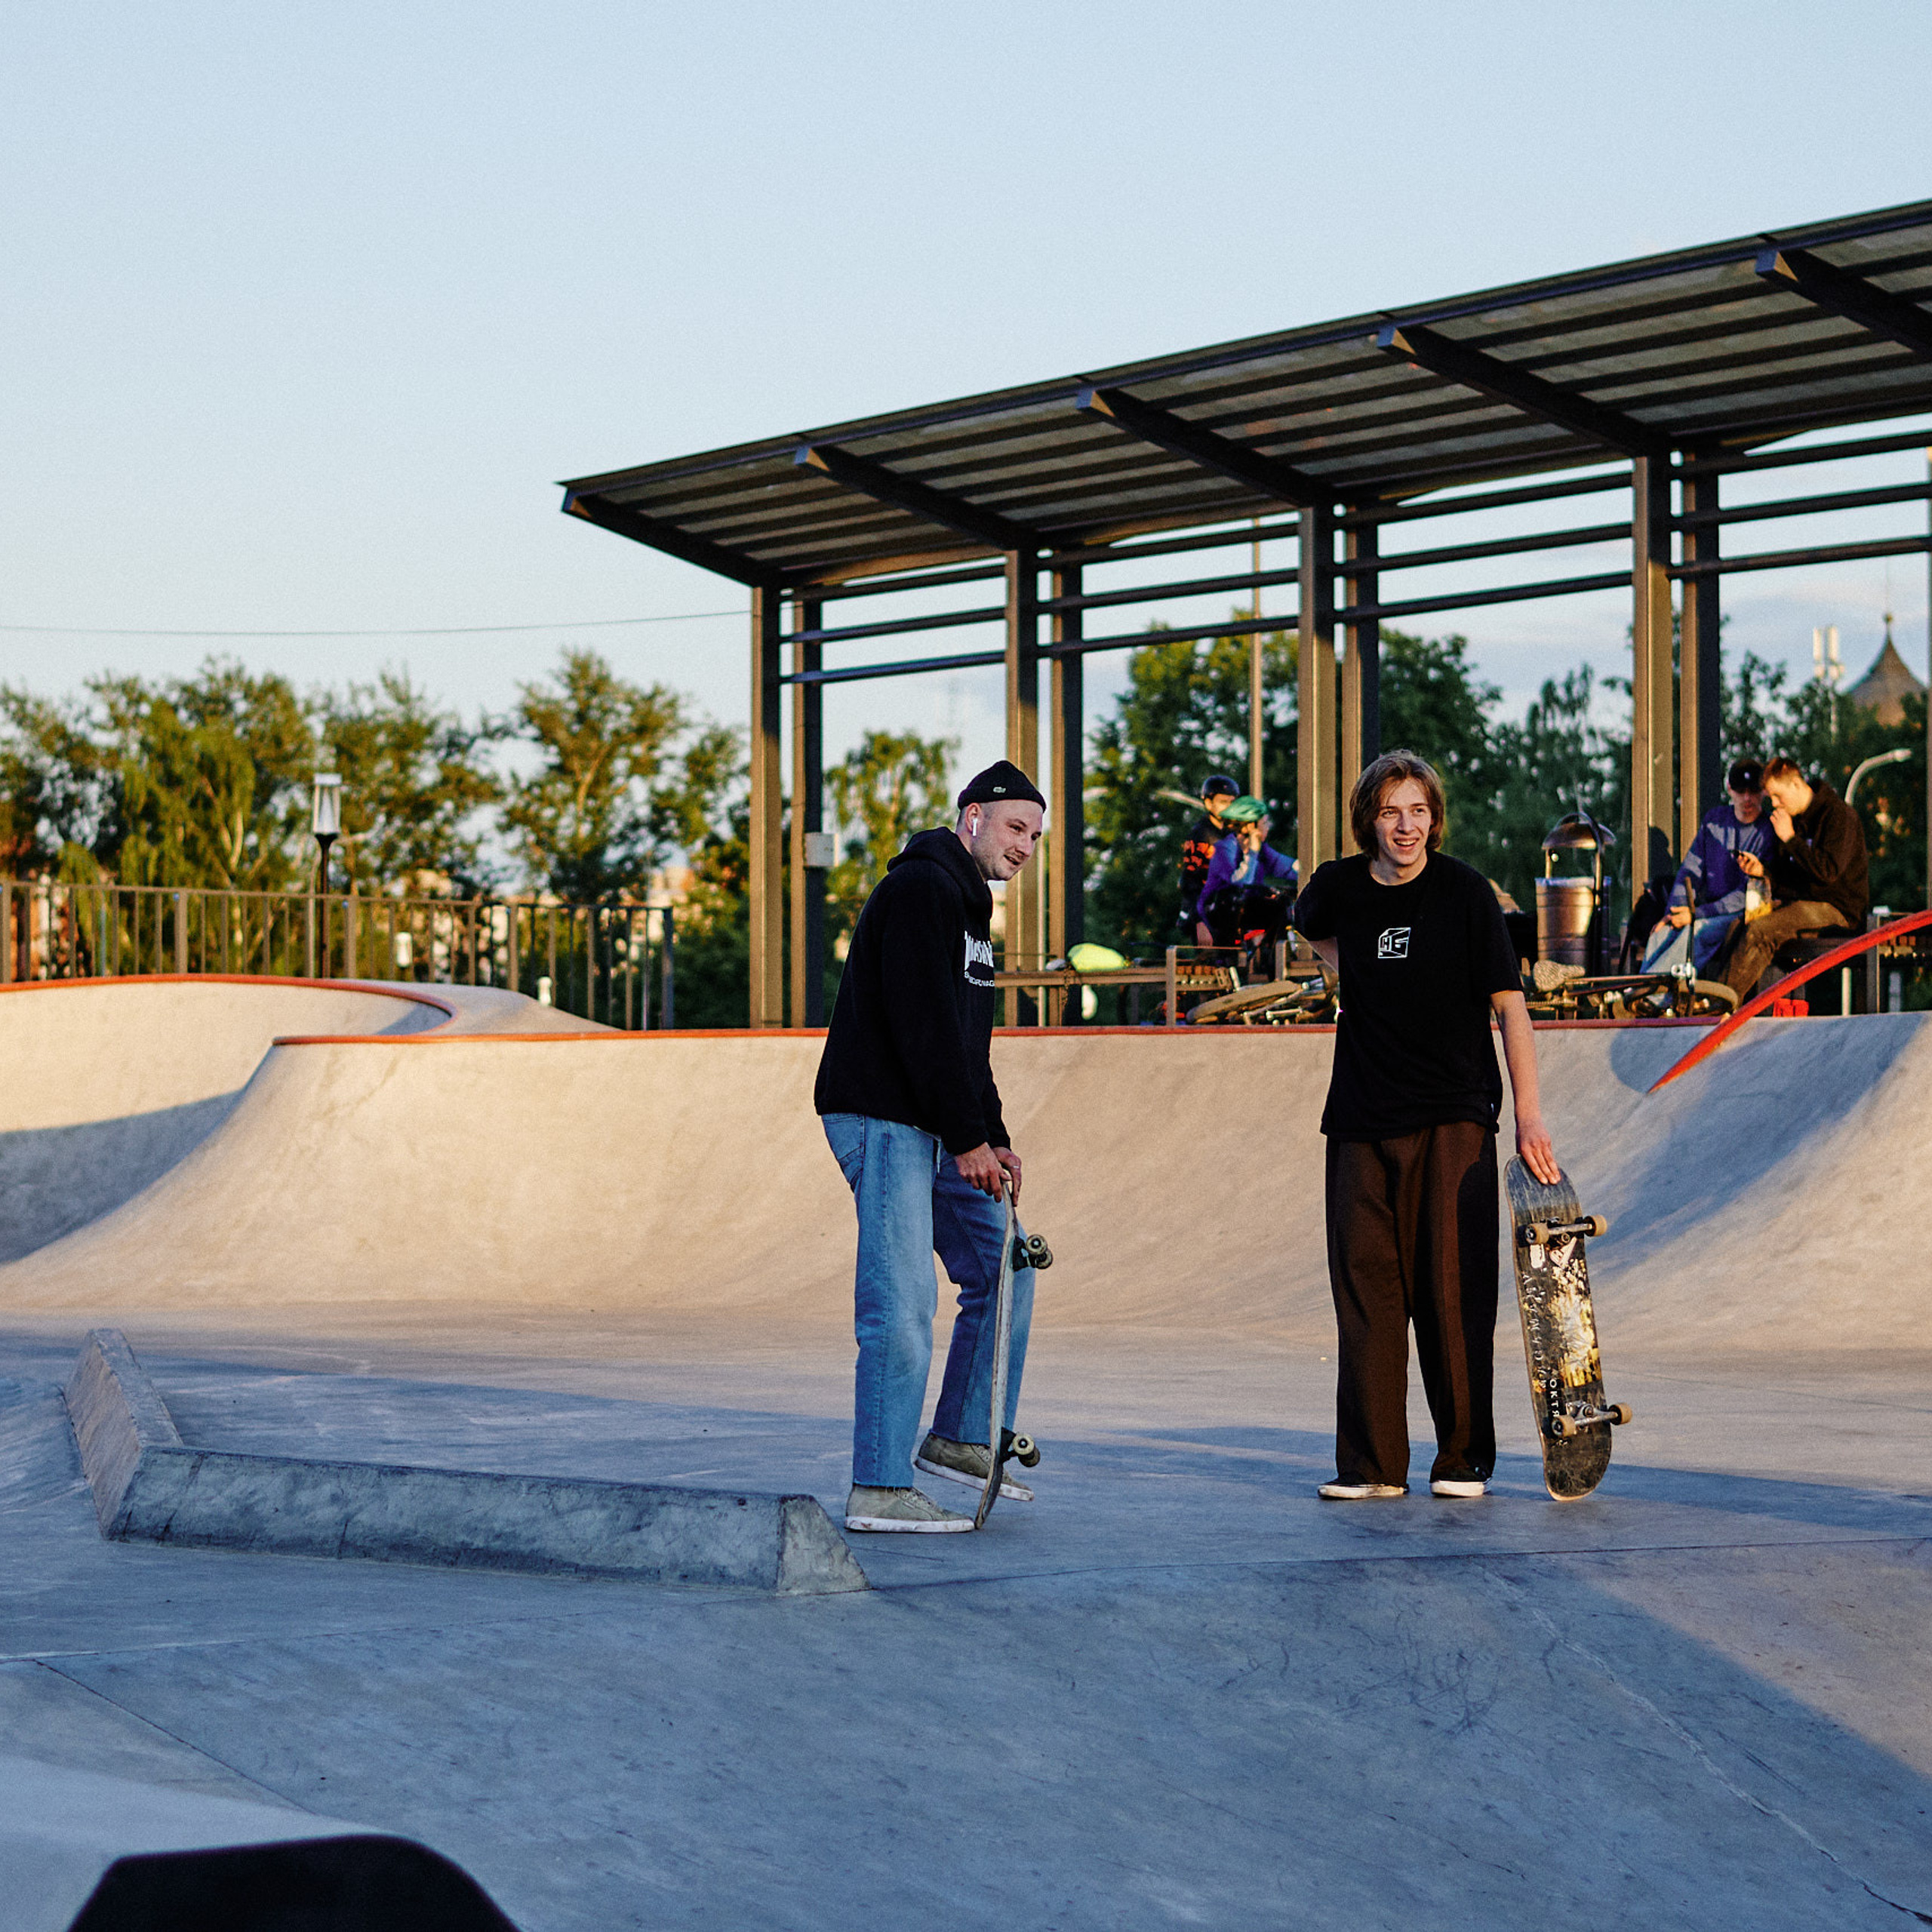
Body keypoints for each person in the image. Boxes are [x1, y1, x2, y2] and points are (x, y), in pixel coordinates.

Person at [1292, 749, 1561, 1502]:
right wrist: (1346, 969)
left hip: (1453, 1118)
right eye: (1390, 812)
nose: (1405, 827)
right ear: (1368, 821)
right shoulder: (1339, 887)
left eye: (1417, 811)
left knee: (1452, 1291)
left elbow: (1510, 1008)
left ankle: (1462, 1458)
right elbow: (1307, 923)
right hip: (1359, 1119)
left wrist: (1529, 1117)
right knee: (1366, 1291)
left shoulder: (1465, 893)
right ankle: (1372, 1465)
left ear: (1434, 819)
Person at [814, 759, 1047, 1533]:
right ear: (973, 816)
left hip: (935, 1123)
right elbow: (920, 1023)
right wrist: (967, 1136)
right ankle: (879, 1486)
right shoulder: (921, 889)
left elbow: (964, 1043)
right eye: (1014, 828)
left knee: (1005, 1263)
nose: (1024, 847)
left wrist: (993, 1138)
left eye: (1035, 836)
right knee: (902, 1302)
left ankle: (960, 1438)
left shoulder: (969, 909)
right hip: (884, 1116)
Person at [1717, 754, 1869, 998]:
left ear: (1796, 784)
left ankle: (1722, 1005)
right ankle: (1723, 1000)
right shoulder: (1792, 822)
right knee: (1737, 926)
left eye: (1778, 796)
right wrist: (1763, 871)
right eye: (1771, 798)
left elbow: (1828, 872)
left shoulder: (1839, 815)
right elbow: (1789, 877)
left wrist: (1790, 839)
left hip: (1838, 909)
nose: (1775, 804)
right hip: (1803, 904)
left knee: (1761, 930)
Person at [1641, 759, 1773, 975]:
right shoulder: (1714, 821)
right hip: (1705, 910)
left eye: (1753, 791)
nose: (1747, 798)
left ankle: (1652, 992)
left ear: (1763, 792)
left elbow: (1748, 894)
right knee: (1662, 933)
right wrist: (1674, 912)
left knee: (1698, 933)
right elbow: (1690, 872)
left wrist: (1696, 914)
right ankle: (1640, 988)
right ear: (1729, 789)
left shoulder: (1768, 830)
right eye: (1741, 791)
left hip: (1740, 913)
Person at [1194, 796, 1297, 949]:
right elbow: (1240, 882)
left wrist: (1315, 871)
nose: (1268, 827)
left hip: (1243, 910)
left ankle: (1270, 952)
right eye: (1264, 823)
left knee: (1284, 905)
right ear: (1249, 826)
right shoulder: (1225, 849)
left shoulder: (1263, 850)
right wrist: (1252, 854)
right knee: (1273, 906)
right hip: (1218, 915)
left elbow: (1287, 866)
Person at [1177, 774, 1241, 935]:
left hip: (1227, 907)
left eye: (1232, 802)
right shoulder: (1200, 835)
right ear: (1208, 803)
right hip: (1205, 910)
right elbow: (1189, 880)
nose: (1229, 807)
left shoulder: (1233, 834)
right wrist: (1199, 921)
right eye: (1223, 802)